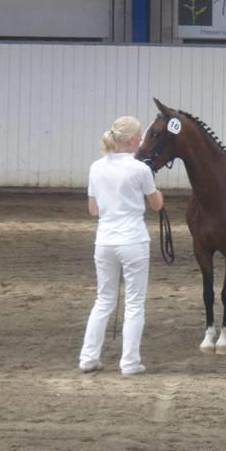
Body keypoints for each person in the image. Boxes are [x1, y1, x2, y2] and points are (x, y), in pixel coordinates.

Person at [78, 116, 163, 377]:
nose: (141, 140)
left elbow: (93, 210)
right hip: (133, 240)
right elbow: (156, 204)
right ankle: (129, 362)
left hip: (104, 240)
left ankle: (88, 357)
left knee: (103, 300)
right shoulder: (140, 169)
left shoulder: (96, 167)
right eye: (139, 136)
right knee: (135, 303)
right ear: (130, 140)